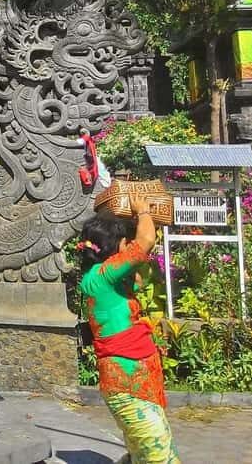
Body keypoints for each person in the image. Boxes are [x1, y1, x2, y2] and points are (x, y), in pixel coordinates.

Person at [78, 196, 180, 464]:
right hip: (126, 382)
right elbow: (144, 242)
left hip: (137, 379)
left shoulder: (107, 280)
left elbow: (139, 277)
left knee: (142, 454)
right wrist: (143, 210)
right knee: (159, 455)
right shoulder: (102, 276)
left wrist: (136, 231)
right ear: (117, 248)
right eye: (125, 244)